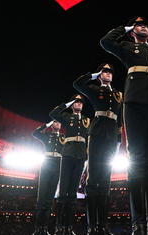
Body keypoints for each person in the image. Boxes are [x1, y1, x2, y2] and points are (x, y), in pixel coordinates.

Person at [100, 16, 148, 235]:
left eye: (145, 24)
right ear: (133, 31)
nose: (143, 26)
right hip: (134, 106)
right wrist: (125, 27)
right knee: (136, 162)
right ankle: (139, 222)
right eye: (138, 24)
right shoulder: (127, 47)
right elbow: (105, 41)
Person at [74, 63, 123, 235]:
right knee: (93, 178)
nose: (108, 73)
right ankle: (91, 225)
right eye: (105, 71)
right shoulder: (95, 90)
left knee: (105, 180)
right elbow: (78, 84)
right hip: (96, 134)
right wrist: (96, 75)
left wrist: (118, 140)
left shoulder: (119, 95)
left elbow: (120, 121)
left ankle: (103, 224)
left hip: (111, 136)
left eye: (110, 71)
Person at [50, 95, 90, 235]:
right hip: (67, 155)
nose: (78, 104)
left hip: (80, 156)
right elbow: (53, 114)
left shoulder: (87, 120)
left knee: (73, 192)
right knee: (63, 191)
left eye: (80, 102)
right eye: (76, 102)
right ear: (72, 105)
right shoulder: (66, 117)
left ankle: (68, 227)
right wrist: (67, 104)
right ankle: (59, 226)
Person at [32, 121, 63, 235]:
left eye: (59, 122)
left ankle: (44, 228)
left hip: (57, 166)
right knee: (42, 197)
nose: (57, 123)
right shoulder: (46, 135)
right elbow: (35, 133)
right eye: (55, 122)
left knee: (50, 199)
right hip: (46, 165)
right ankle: (37, 228)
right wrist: (47, 125)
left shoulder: (64, 138)